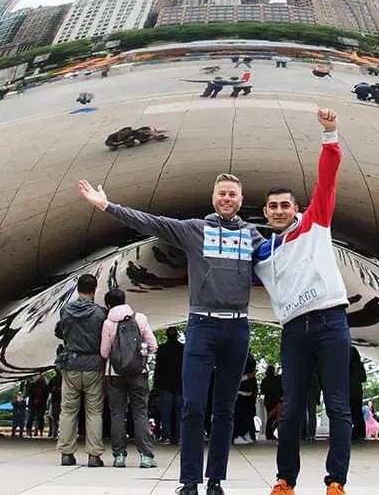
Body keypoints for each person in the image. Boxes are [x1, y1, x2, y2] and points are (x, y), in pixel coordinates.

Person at [78, 171, 265, 495]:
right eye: (222, 193)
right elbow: (151, 222)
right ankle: (190, 481)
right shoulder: (195, 230)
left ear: (240, 200)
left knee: (224, 408)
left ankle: (216, 481)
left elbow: (285, 254)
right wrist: (108, 206)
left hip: (237, 328)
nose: (227, 199)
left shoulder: (253, 236)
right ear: (213, 197)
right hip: (202, 326)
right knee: (193, 405)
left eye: (232, 195)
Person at [252, 108, 351, 495]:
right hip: (294, 331)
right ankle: (285, 481)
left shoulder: (316, 222)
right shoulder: (261, 254)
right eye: (273, 207)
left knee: (338, 405)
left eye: (285, 205)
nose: (279, 211)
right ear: (265, 213)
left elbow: (327, 179)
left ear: (296, 209)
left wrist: (330, 135)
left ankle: (336, 482)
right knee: (291, 409)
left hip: (330, 323)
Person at [99, 287, 158, 469]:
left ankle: (119, 456)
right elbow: (153, 345)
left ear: (108, 305)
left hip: (115, 374)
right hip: (138, 373)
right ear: (125, 300)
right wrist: (139, 356)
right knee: (140, 412)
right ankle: (146, 457)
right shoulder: (139, 319)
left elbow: (104, 351)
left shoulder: (108, 323)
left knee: (117, 413)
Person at [55, 273, 108, 467]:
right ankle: (94, 455)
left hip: (70, 365)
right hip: (94, 364)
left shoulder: (66, 311)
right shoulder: (100, 313)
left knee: (68, 410)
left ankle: (66, 453)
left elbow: (61, 332)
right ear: (95, 290)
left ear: (78, 289)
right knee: (94, 411)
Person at [153, 326, 184, 444]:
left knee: (166, 412)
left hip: (166, 385)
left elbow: (158, 369)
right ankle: (180, 436)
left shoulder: (162, 349)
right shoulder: (183, 349)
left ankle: (166, 436)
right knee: (180, 412)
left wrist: (157, 384)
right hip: (180, 384)